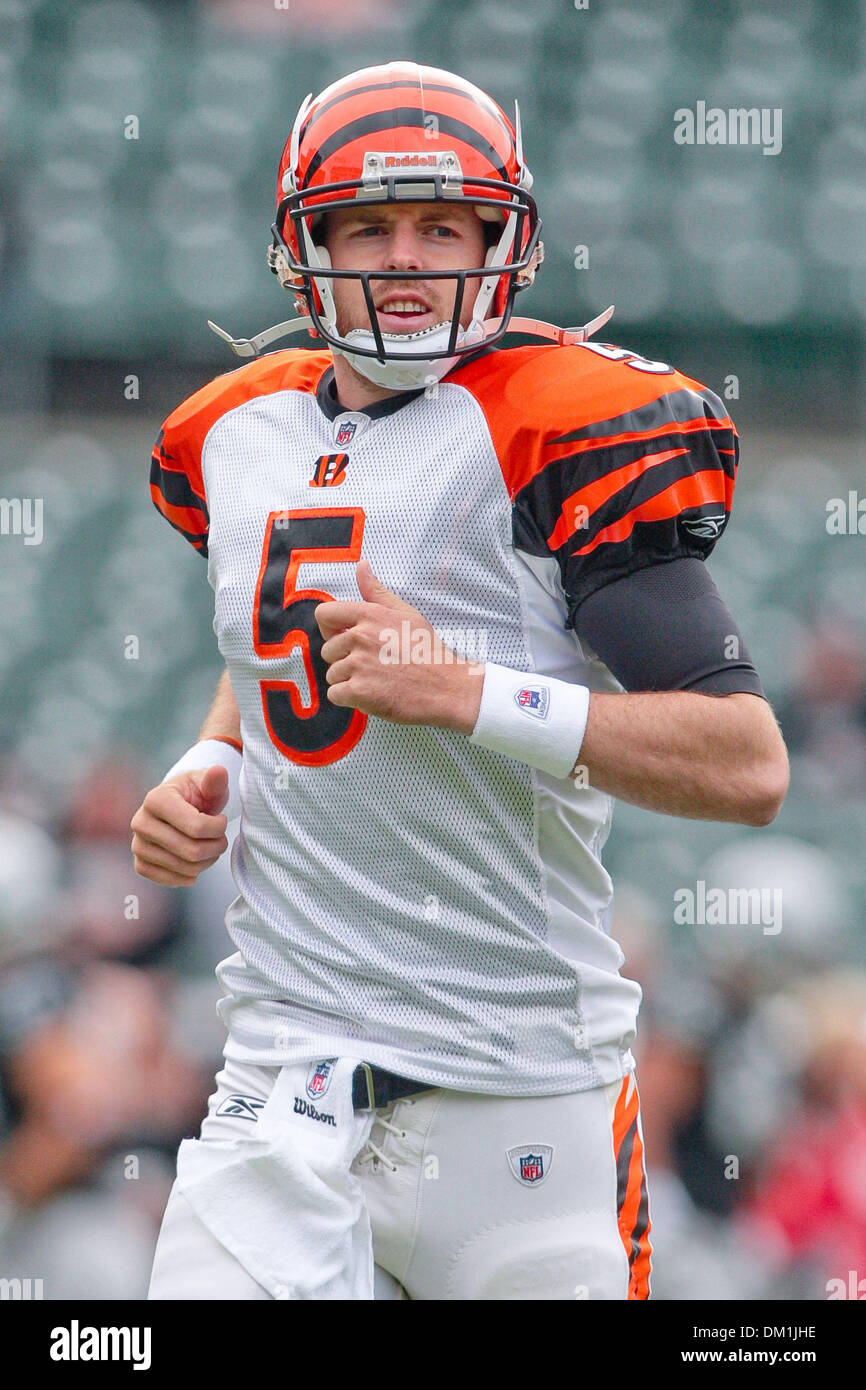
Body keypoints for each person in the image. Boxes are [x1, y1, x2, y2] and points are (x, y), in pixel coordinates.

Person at [133, 61, 789, 1301]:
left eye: (442, 224)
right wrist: (213, 757)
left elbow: (744, 763)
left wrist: (465, 689)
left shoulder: (553, 424)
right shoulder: (233, 431)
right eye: (366, 226)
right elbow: (274, 629)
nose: (404, 257)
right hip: (282, 1076)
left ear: (504, 241)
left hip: (516, 1091)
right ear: (301, 246)